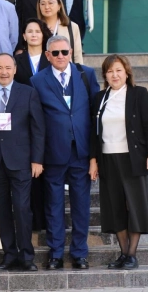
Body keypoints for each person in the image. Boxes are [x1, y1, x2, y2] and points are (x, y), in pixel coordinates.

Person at [30, 35, 99, 271]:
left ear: (71, 52)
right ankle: (56, 253)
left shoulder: (86, 75)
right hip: (53, 153)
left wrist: (94, 155)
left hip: (81, 152)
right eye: (55, 53)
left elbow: (95, 116)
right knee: (54, 206)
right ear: (47, 55)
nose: (61, 56)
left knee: (81, 205)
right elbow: (36, 121)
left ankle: (80, 253)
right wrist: (37, 156)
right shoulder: (37, 80)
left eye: (65, 52)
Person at [0, 53, 45, 272]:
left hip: (21, 161)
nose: (4, 72)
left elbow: (38, 129)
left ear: (14, 69)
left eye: (8, 68)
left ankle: (27, 256)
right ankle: (9, 255)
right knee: (1, 211)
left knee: (22, 208)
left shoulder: (28, 93)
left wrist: (37, 159)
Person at [90, 55, 148, 271]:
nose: (115, 75)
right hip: (108, 159)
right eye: (110, 71)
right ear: (105, 75)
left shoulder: (139, 94)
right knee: (115, 207)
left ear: (127, 72)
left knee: (135, 206)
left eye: (118, 70)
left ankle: (132, 255)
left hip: (133, 158)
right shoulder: (100, 98)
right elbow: (93, 133)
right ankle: (123, 253)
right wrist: (93, 160)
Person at [37, 0, 84, 64]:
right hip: (42, 69)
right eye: (42, 4)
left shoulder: (72, 27)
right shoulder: (35, 27)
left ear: (59, 5)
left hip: (65, 69)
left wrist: (79, 70)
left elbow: (77, 55)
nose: (46, 7)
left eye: (50, 3)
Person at [14, 19, 51, 86]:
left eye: (37, 31)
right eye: (30, 31)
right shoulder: (16, 60)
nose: (34, 35)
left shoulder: (51, 59)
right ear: (24, 36)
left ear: (43, 35)